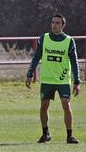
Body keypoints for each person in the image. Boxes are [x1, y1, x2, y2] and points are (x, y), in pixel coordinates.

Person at [26, 14, 81, 144]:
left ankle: (69, 136)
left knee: (66, 105)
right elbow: (36, 57)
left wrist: (77, 81)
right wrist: (29, 74)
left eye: (57, 23)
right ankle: (45, 134)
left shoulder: (69, 41)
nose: (54, 25)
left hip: (62, 80)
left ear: (63, 25)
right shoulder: (44, 38)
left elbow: (74, 62)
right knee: (44, 106)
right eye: (52, 22)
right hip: (47, 80)